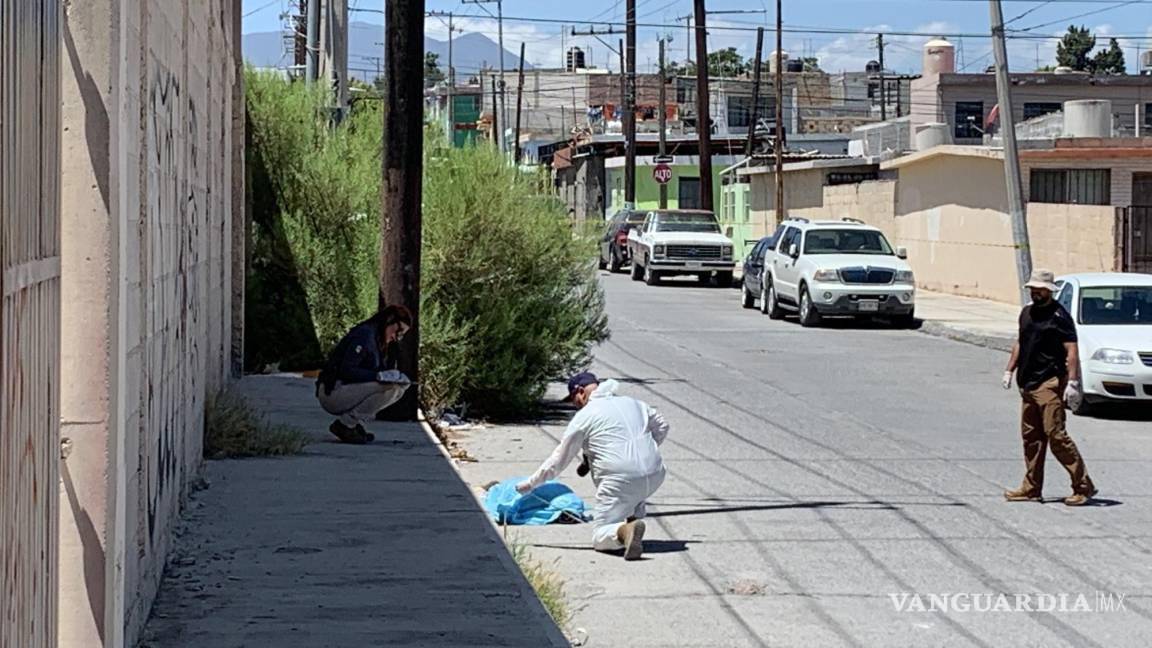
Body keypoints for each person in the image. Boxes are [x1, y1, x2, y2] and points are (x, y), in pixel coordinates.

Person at [516, 373, 668, 560]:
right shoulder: (635, 403)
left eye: (574, 400)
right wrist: (645, 451)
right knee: (635, 491)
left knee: (600, 535)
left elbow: (559, 459)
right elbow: (662, 426)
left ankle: (624, 531)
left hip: (619, 478)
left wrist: (530, 484)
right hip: (656, 473)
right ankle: (633, 519)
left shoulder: (585, 415)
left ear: (580, 392)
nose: (575, 405)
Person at [1002, 270, 1097, 506]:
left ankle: (1083, 486)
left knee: (1056, 435)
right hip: (1028, 384)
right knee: (1031, 437)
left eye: (1040, 289)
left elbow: (1071, 351)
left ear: (1049, 291)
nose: (1036, 292)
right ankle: (1031, 487)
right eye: (1033, 289)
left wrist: (1073, 382)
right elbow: (1020, 343)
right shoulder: (1027, 313)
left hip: (1049, 383)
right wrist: (1009, 369)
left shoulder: (1059, 316)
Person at [316, 305, 414, 444]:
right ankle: (346, 424)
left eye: (401, 335)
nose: (396, 337)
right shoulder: (365, 336)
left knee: (399, 388)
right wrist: (378, 376)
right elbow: (346, 370)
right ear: (389, 320)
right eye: (398, 331)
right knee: (390, 388)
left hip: (345, 390)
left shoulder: (377, 340)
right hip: (333, 392)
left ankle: (352, 424)